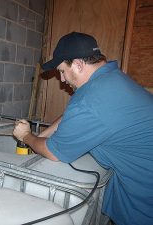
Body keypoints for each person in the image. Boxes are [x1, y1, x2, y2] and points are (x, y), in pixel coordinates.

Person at [13, 32, 153, 225]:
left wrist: (27, 136)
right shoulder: (111, 80)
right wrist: (42, 135)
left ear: (78, 65)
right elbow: (72, 117)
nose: (62, 79)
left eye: (62, 71)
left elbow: (55, 153)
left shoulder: (91, 99)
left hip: (145, 202)